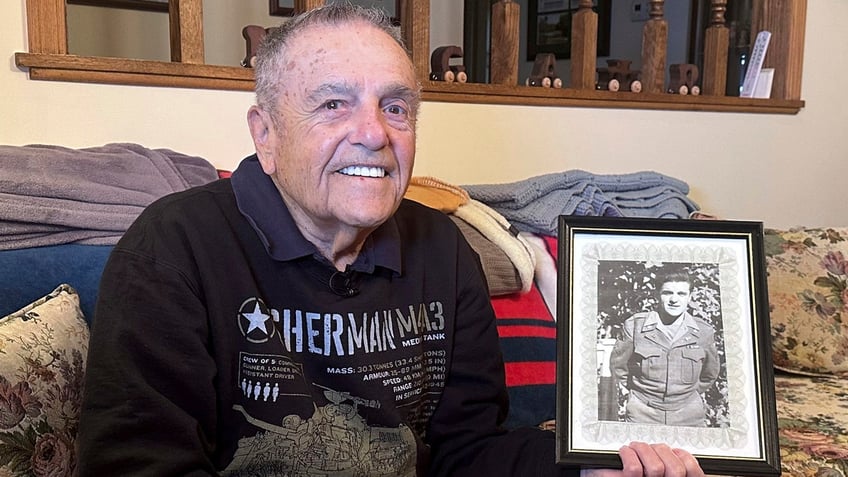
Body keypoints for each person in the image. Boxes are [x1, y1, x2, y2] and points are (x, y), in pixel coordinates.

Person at [76, 5, 706, 476]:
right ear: (265, 134)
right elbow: (136, 465)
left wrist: (591, 465)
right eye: (332, 104)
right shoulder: (171, 248)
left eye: (396, 107)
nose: (374, 134)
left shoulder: (441, 245)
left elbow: (469, 452)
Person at [610, 270, 720, 427]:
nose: (674, 299)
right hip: (643, 412)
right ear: (657, 294)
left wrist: (684, 396)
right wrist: (638, 395)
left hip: (688, 413)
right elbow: (618, 366)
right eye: (667, 293)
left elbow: (709, 374)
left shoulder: (703, 331)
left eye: (681, 294)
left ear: (690, 296)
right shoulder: (635, 326)